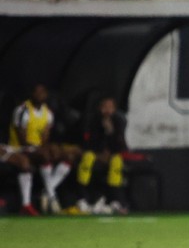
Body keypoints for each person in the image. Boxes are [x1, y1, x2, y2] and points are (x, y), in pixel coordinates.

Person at [8, 84, 75, 215]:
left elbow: (45, 139)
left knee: (68, 156)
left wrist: (50, 148)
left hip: (37, 149)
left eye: (43, 92)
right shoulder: (23, 110)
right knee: (44, 155)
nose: (40, 95)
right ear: (32, 94)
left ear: (46, 95)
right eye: (37, 92)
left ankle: (48, 191)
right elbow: (22, 140)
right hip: (19, 149)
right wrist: (42, 149)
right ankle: (51, 195)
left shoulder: (48, 113)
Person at [76, 96, 129, 215]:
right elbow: (89, 143)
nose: (107, 110)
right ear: (100, 108)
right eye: (104, 107)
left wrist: (110, 131)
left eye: (110, 107)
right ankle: (82, 198)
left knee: (117, 162)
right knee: (87, 158)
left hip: (112, 154)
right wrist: (99, 153)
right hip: (96, 153)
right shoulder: (93, 120)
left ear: (114, 109)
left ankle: (116, 200)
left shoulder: (119, 121)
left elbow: (121, 145)